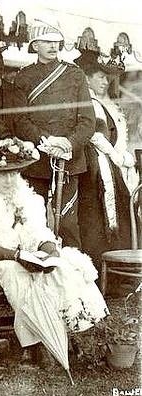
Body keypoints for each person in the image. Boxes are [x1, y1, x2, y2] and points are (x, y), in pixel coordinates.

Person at [0, 139, 108, 366]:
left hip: (29, 256)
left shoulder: (30, 199)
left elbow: (39, 232)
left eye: (13, 173)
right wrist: (18, 257)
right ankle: (36, 343)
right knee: (15, 273)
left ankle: (81, 329)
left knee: (65, 266)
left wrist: (50, 251)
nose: (9, 180)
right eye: (2, 175)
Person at [12, 20, 96, 248]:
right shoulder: (23, 77)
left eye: (56, 42)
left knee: (68, 224)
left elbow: (87, 120)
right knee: (33, 221)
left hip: (69, 159)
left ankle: (72, 268)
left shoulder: (75, 75)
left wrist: (69, 143)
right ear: (35, 45)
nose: (53, 46)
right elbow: (20, 120)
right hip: (37, 159)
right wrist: (46, 140)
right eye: (47, 42)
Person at [74, 50, 133, 270]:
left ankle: (118, 271)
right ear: (87, 78)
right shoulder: (89, 102)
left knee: (118, 214)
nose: (105, 81)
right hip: (95, 167)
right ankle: (101, 270)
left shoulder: (104, 102)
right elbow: (95, 135)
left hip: (108, 166)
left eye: (106, 78)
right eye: (100, 77)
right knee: (96, 219)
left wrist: (121, 157)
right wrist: (117, 157)